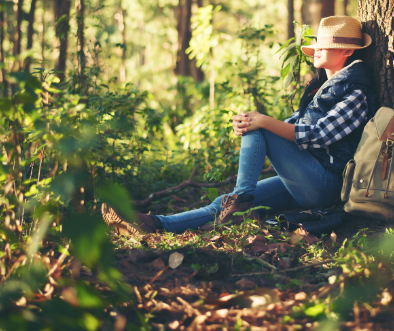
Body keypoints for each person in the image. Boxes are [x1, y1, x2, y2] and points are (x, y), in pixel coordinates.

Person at [101, 16, 378, 235]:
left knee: (260, 128)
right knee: (224, 200)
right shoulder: (323, 86)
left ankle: (241, 198)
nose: (316, 48)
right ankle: (157, 224)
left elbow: (318, 135)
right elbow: (292, 125)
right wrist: (252, 122)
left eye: (324, 45)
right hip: (306, 177)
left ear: (347, 50)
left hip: (325, 184)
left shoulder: (355, 92)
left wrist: (262, 123)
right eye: (316, 43)